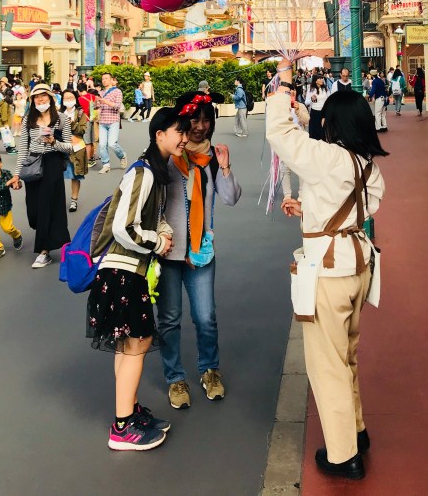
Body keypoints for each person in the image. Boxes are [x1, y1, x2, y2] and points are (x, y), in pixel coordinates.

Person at [266, 60, 385, 481]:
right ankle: (355, 429)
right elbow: (354, 207)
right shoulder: (366, 166)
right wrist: (311, 208)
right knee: (346, 354)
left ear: (334, 125)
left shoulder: (328, 159)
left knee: (326, 363)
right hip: (358, 266)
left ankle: (342, 455)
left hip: (329, 272)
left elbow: (280, 134)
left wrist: (281, 90)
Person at [88, 108, 185, 452]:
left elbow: (143, 218)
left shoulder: (153, 173)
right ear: (159, 134)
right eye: (178, 131)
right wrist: (158, 242)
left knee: (128, 345)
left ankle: (127, 412)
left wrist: (161, 230)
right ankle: (123, 427)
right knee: (137, 345)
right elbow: (123, 228)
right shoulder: (143, 173)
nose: (184, 138)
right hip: (123, 271)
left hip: (125, 271)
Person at [157, 91, 242, 410]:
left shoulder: (211, 160)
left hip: (201, 253)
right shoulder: (165, 157)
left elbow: (231, 197)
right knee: (169, 319)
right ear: (182, 120)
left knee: (206, 317)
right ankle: (174, 377)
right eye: (195, 119)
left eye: (207, 120)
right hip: (167, 252)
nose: (201, 126)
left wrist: (226, 168)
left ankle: (210, 370)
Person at [14, 83, 72, 269]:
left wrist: (54, 141)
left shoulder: (61, 119)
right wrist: (17, 174)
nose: (40, 99)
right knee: (34, 209)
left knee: (47, 205)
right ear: (32, 100)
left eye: (43, 96)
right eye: (36, 96)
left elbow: (70, 147)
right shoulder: (28, 120)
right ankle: (50, 237)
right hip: (33, 164)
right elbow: (23, 147)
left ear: (50, 97)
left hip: (52, 163)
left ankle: (44, 251)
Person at [63, 88, 88, 213]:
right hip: (60, 148)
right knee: (57, 175)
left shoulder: (80, 113)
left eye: (70, 97)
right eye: (65, 98)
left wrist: (72, 123)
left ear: (75, 99)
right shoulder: (58, 113)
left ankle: (74, 200)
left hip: (76, 148)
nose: (68, 100)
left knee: (75, 175)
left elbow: (82, 130)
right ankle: (58, 200)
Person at [97, 72, 127, 174]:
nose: (104, 80)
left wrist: (105, 101)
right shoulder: (100, 93)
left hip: (113, 120)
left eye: (106, 78)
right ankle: (106, 164)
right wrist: (95, 103)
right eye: (103, 79)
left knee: (112, 144)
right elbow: (96, 106)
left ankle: (122, 155)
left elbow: (118, 106)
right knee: (102, 145)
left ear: (111, 80)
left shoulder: (117, 91)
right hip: (102, 121)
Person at [306, 74, 330, 141]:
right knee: (315, 134)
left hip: (323, 113)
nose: (322, 80)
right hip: (315, 113)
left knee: (323, 133)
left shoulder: (325, 89)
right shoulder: (311, 89)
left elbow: (328, 99)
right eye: (319, 78)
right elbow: (306, 102)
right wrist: (311, 99)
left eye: (322, 78)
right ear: (315, 80)